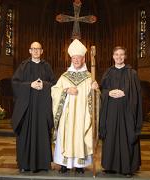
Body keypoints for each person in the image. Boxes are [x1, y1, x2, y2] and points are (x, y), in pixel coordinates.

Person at [51, 39, 98, 174]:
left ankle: (79, 165)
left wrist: (96, 89)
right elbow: (55, 90)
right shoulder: (64, 76)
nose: (76, 60)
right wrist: (66, 90)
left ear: (84, 59)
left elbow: (96, 98)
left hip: (82, 115)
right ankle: (64, 164)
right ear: (71, 59)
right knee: (65, 136)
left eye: (79, 58)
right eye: (74, 58)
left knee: (81, 136)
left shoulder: (90, 77)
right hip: (67, 115)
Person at [11, 41, 56, 172]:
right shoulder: (23, 66)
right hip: (27, 108)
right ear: (30, 51)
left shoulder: (46, 66)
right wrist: (29, 85)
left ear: (42, 51)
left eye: (38, 49)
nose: (36, 51)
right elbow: (15, 82)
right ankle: (24, 164)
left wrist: (45, 85)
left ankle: (43, 163)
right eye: (33, 49)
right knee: (25, 134)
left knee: (43, 133)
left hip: (42, 108)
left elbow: (54, 84)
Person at [99, 46, 142, 177]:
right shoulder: (108, 72)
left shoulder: (132, 73)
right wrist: (109, 92)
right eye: (116, 54)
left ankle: (127, 168)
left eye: (121, 54)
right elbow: (102, 90)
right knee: (111, 135)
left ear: (125, 56)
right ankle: (110, 166)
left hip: (126, 112)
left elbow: (137, 94)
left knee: (126, 136)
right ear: (113, 56)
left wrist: (125, 92)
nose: (119, 57)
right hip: (111, 111)